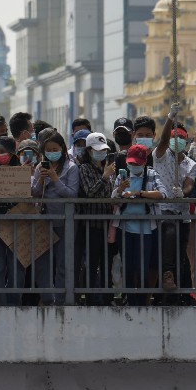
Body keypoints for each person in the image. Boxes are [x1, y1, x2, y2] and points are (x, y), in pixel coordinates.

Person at [151, 111, 196, 301]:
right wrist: (170, 118)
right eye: (174, 137)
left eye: (181, 138)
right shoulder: (161, 155)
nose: (177, 140)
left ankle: (177, 295)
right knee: (168, 236)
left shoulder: (190, 164)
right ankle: (166, 276)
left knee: (179, 252)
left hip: (182, 212)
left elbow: (189, 184)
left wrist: (183, 193)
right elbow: (162, 140)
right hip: (163, 210)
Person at [113, 144, 164, 306]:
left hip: (146, 229)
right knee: (127, 268)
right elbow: (113, 199)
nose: (133, 166)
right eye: (131, 163)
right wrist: (120, 191)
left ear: (144, 162)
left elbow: (162, 194)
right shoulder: (122, 176)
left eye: (137, 164)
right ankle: (130, 301)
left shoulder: (151, 174)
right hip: (125, 228)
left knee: (142, 270)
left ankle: (142, 303)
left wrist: (138, 194)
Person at [31, 131, 78, 303]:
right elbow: (35, 193)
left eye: (55, 149)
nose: (52, 152)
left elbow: (72, 194)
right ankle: (47, 298)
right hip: (44, 220)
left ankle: (60, 300)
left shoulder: (72, 168)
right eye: (48, 150)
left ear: (62, 149)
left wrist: (55, 179)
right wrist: (42, 180)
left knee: (63, 264)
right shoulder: (39, 167)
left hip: (65, 221)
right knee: (43, 264)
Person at [75, 132, 115, 304]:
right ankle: (91, 299)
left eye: (103, 150)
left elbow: (110, 194)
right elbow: (90, 192)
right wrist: (104, 177)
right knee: (91, 264)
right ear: (89, 151)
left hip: (107, 223)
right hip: (91, 224)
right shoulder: (84, 168)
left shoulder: (107, 167)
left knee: (107, 263)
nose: (101, 153)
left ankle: (107, 298)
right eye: (97, 150)